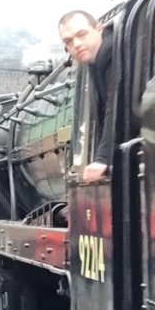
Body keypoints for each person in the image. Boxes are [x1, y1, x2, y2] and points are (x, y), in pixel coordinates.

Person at [58, 10, 114, 184]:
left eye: (81, 34)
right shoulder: (94, 64)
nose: (76, 44)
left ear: (99, 29)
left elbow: (116, 106)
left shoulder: (111, 53)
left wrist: (103, 159)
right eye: (68, 41)